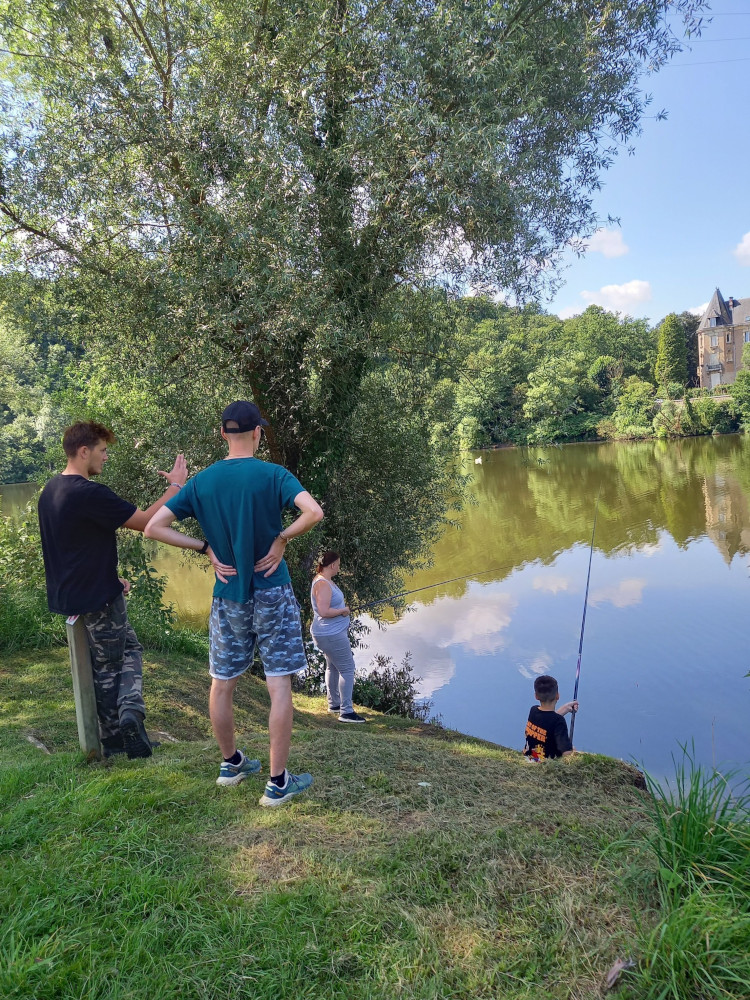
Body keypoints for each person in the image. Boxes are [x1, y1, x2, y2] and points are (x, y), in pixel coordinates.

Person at [144, 400, 324, 806]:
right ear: (258, 432)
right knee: (278, 684)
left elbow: (153, 528)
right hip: (272, 590)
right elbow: (313, 512)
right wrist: (281, 539)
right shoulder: (273, 474)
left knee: (222, 682)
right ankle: (277, 783)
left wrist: (204, 547)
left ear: (223, 434)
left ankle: (231, 764)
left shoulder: (201, 482)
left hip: (228, 595)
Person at [38, 420, 189, 759]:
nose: (106, 457)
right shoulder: (90, 493)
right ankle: (124, 727)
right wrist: (176, 486)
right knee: (112, 665)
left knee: (118, 654)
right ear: (84, 451)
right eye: (103, 451)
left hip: (72, 593)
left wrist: (109, 576)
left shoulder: (51, 490)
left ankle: (120, 730)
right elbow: (147, 521)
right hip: (99, 599)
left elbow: (73, 545)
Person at [310, 551, 366, 723]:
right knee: (347, 669)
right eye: (339, 565)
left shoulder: (324, 580)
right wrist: (342, 611)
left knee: (333, 667)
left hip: (329, 633)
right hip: (330, 634)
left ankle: (334, 704)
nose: (339, 568)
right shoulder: (322, 584)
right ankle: (346, 712)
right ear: (332, 565)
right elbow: (323, 611)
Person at [522, 674, 578, 761]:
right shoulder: (559, 721)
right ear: (557, 696)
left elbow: (547, 721)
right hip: (545, 764)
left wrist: (565, 708)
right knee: (573, 749)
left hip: (529, 758)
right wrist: (572, 752)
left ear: (536, 696)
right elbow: (566, 753)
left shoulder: (533, 710)